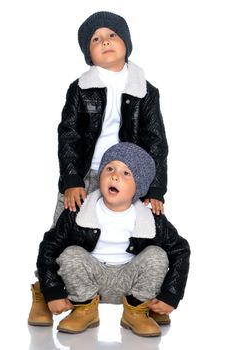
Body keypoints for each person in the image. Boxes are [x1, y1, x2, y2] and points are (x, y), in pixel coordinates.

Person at [28, 142, 190, 337]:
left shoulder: (151, 218)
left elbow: (180, 250)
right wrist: (53, 291)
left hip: (131, 281)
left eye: (126, 173)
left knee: (157, 255)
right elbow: (49, 248)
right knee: (71, 254)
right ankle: (84, 309)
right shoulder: (77, 211)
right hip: (90, 280)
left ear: (139, 186)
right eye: (109, 168)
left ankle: (136, 312)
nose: (115, 176)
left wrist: (170, 295)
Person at [53, 10, 168, 227]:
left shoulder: (145, 91)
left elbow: (156, 142)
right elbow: (69, 135)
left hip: (128, 175)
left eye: (112, 35)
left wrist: (155, 188)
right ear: (88, 53)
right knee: (66, 225)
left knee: (133, 229)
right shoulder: (80, 89)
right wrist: (72, 179)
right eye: (96, 39)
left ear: (126, 43)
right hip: (87, 173)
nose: (105, 41)